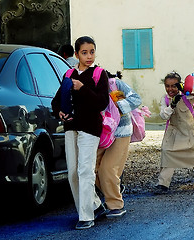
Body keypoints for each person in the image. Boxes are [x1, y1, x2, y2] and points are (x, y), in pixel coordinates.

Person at [51, 36, 109, 230]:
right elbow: (56, 101)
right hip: (70, 128)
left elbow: (102, 103)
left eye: (92, 52)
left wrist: (83, 88)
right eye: (84, 52)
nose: (89, 56)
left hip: (91, 128)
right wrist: (59, 110)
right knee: (73, 173)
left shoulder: (100, 74)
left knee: (85, 170)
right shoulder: (68, 74)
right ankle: (95, 205)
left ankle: (86, 216)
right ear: (76, 54)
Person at [155, 72, 194, 193]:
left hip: (190, 131)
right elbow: (163, 115)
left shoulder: (187, 96)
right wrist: (172, 105)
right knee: (167, 154)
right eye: (167, 86)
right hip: (174, 132)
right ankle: (163, 183)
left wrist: (187, 90)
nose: (170, 89)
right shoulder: (165, 99)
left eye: (174, 86)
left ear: (179, 85)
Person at [95, 70, 141, 217]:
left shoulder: (115, 84)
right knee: (92, 168)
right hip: (101, 134)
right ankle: (115, 188)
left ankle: (115, 205)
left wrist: (115, 107)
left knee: (108, 169)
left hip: (121, 131)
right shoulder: (89, 86)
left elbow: (136, 99)